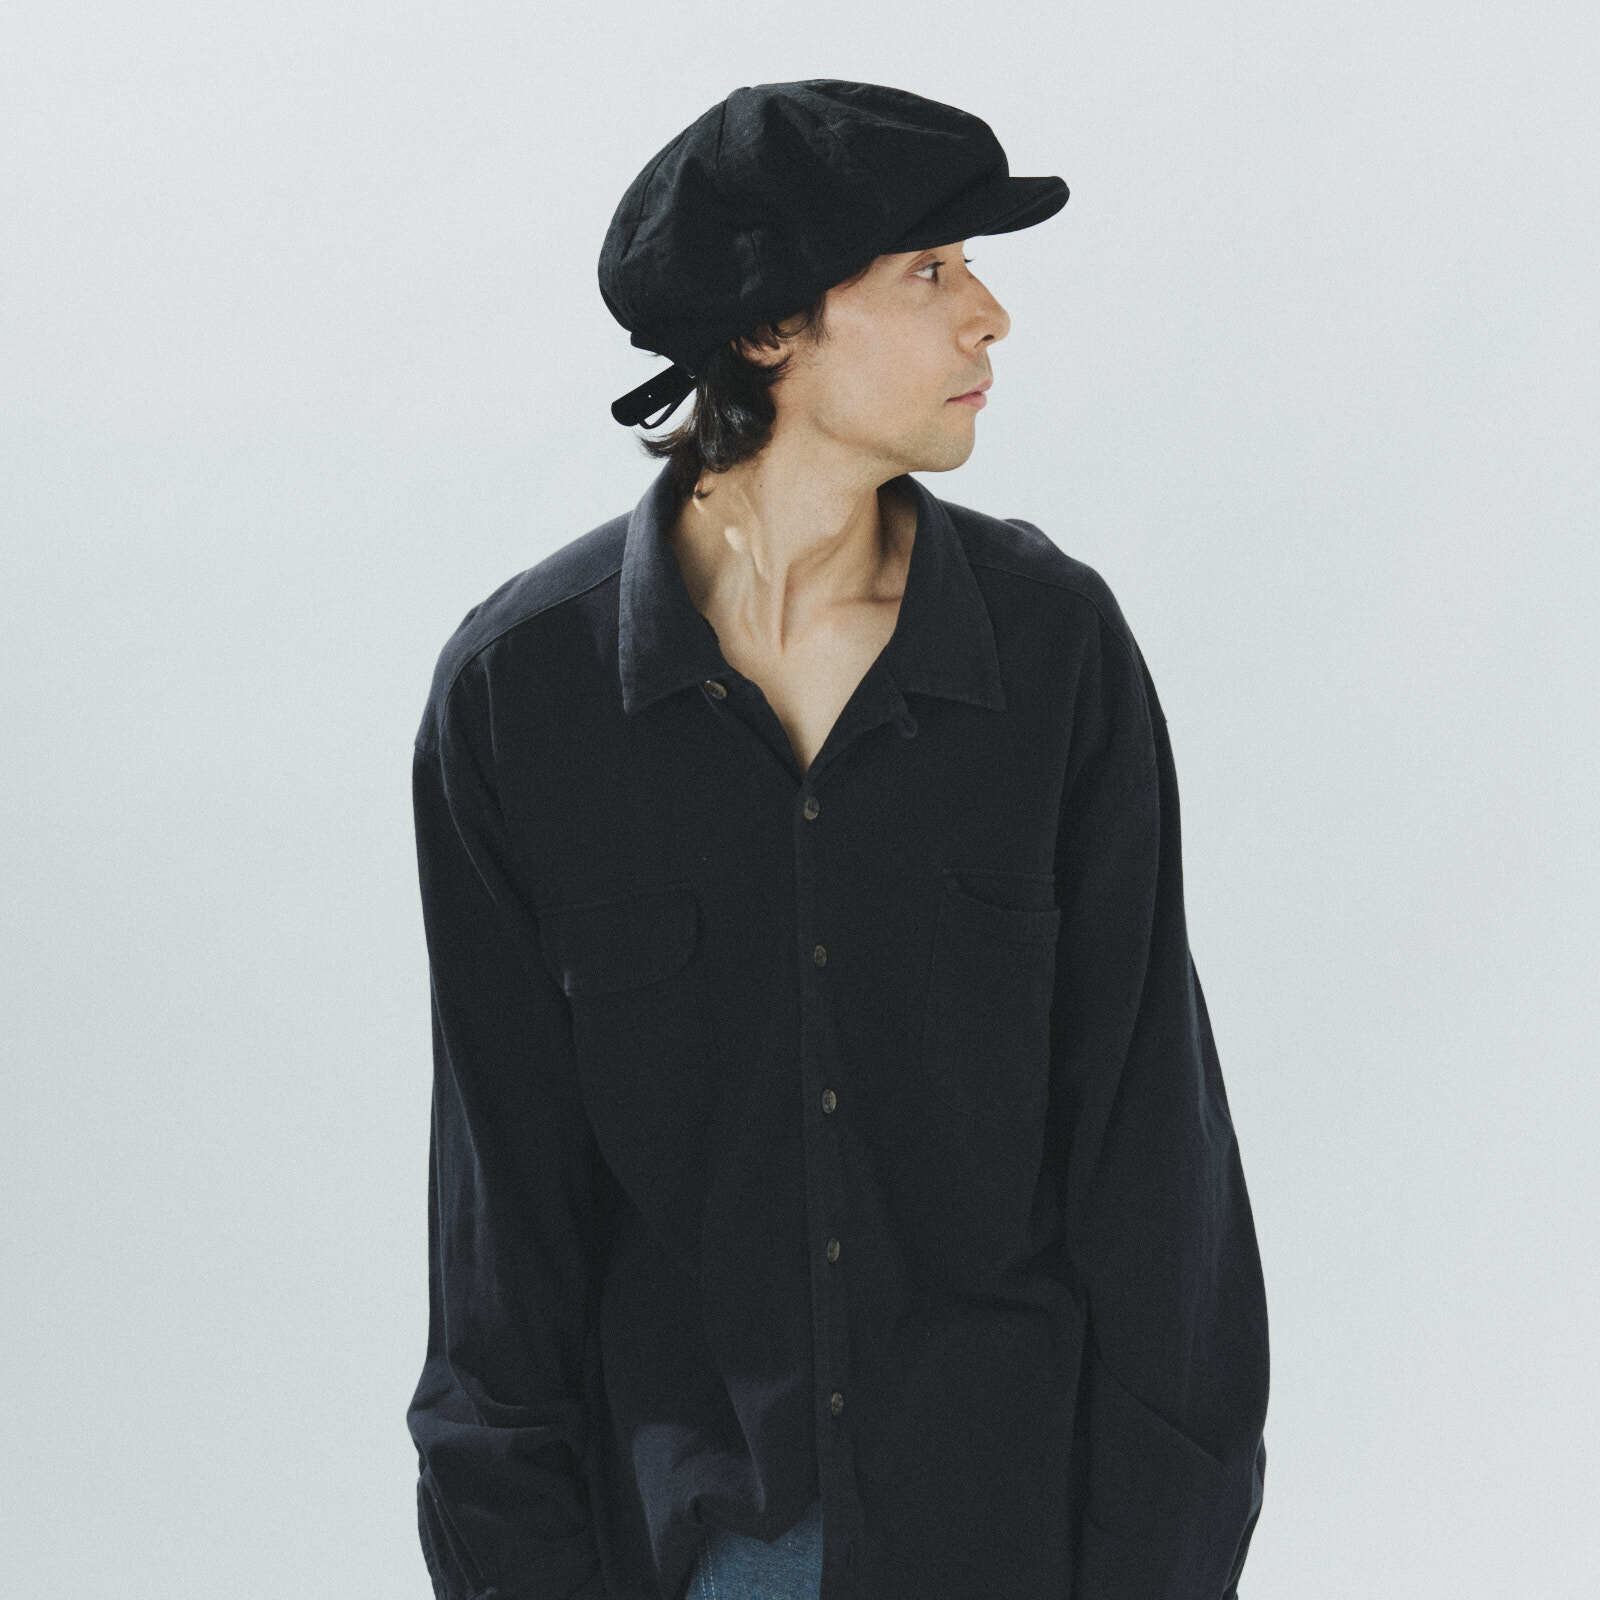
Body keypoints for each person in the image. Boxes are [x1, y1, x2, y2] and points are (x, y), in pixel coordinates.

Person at [405, 79, 1269, 1600]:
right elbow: (502, 1224)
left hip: (1022, 1539)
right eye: (932, 271)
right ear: (767, 331)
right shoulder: (520, 698)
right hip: (694, 1549)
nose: (990, 317)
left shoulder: (1050, 652)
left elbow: (1156, 1168)